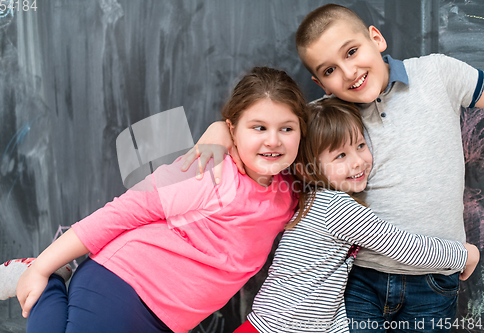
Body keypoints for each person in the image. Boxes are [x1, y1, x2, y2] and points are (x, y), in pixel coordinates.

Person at [180, 4, 484, 332]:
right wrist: (220, 129)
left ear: (376, 39)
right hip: (361, 279)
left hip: (434, 281)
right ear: (321, 83)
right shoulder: (322, 119)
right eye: (330, 71)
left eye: (352, 52)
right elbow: (264, 128)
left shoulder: (437, 73)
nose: (349, 73)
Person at [0, 66, 308, 333]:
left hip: (170, 321)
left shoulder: (289, 193)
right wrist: (43, 268)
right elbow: (121, 212)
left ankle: (49, 275)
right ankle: (40, 273)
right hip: (123, 284)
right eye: (258, 127)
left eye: (286, 128)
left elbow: (334, 128)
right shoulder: (206, 172)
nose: (272, 140)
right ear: (233, 128)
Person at [230, 98, 479, 333]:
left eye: (360, 145)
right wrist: (463, 255)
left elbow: (330, 290)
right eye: (341, 155)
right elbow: (403, 246)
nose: (358, 161)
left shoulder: (312, 200)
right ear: (307, 171)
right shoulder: (335, 207)